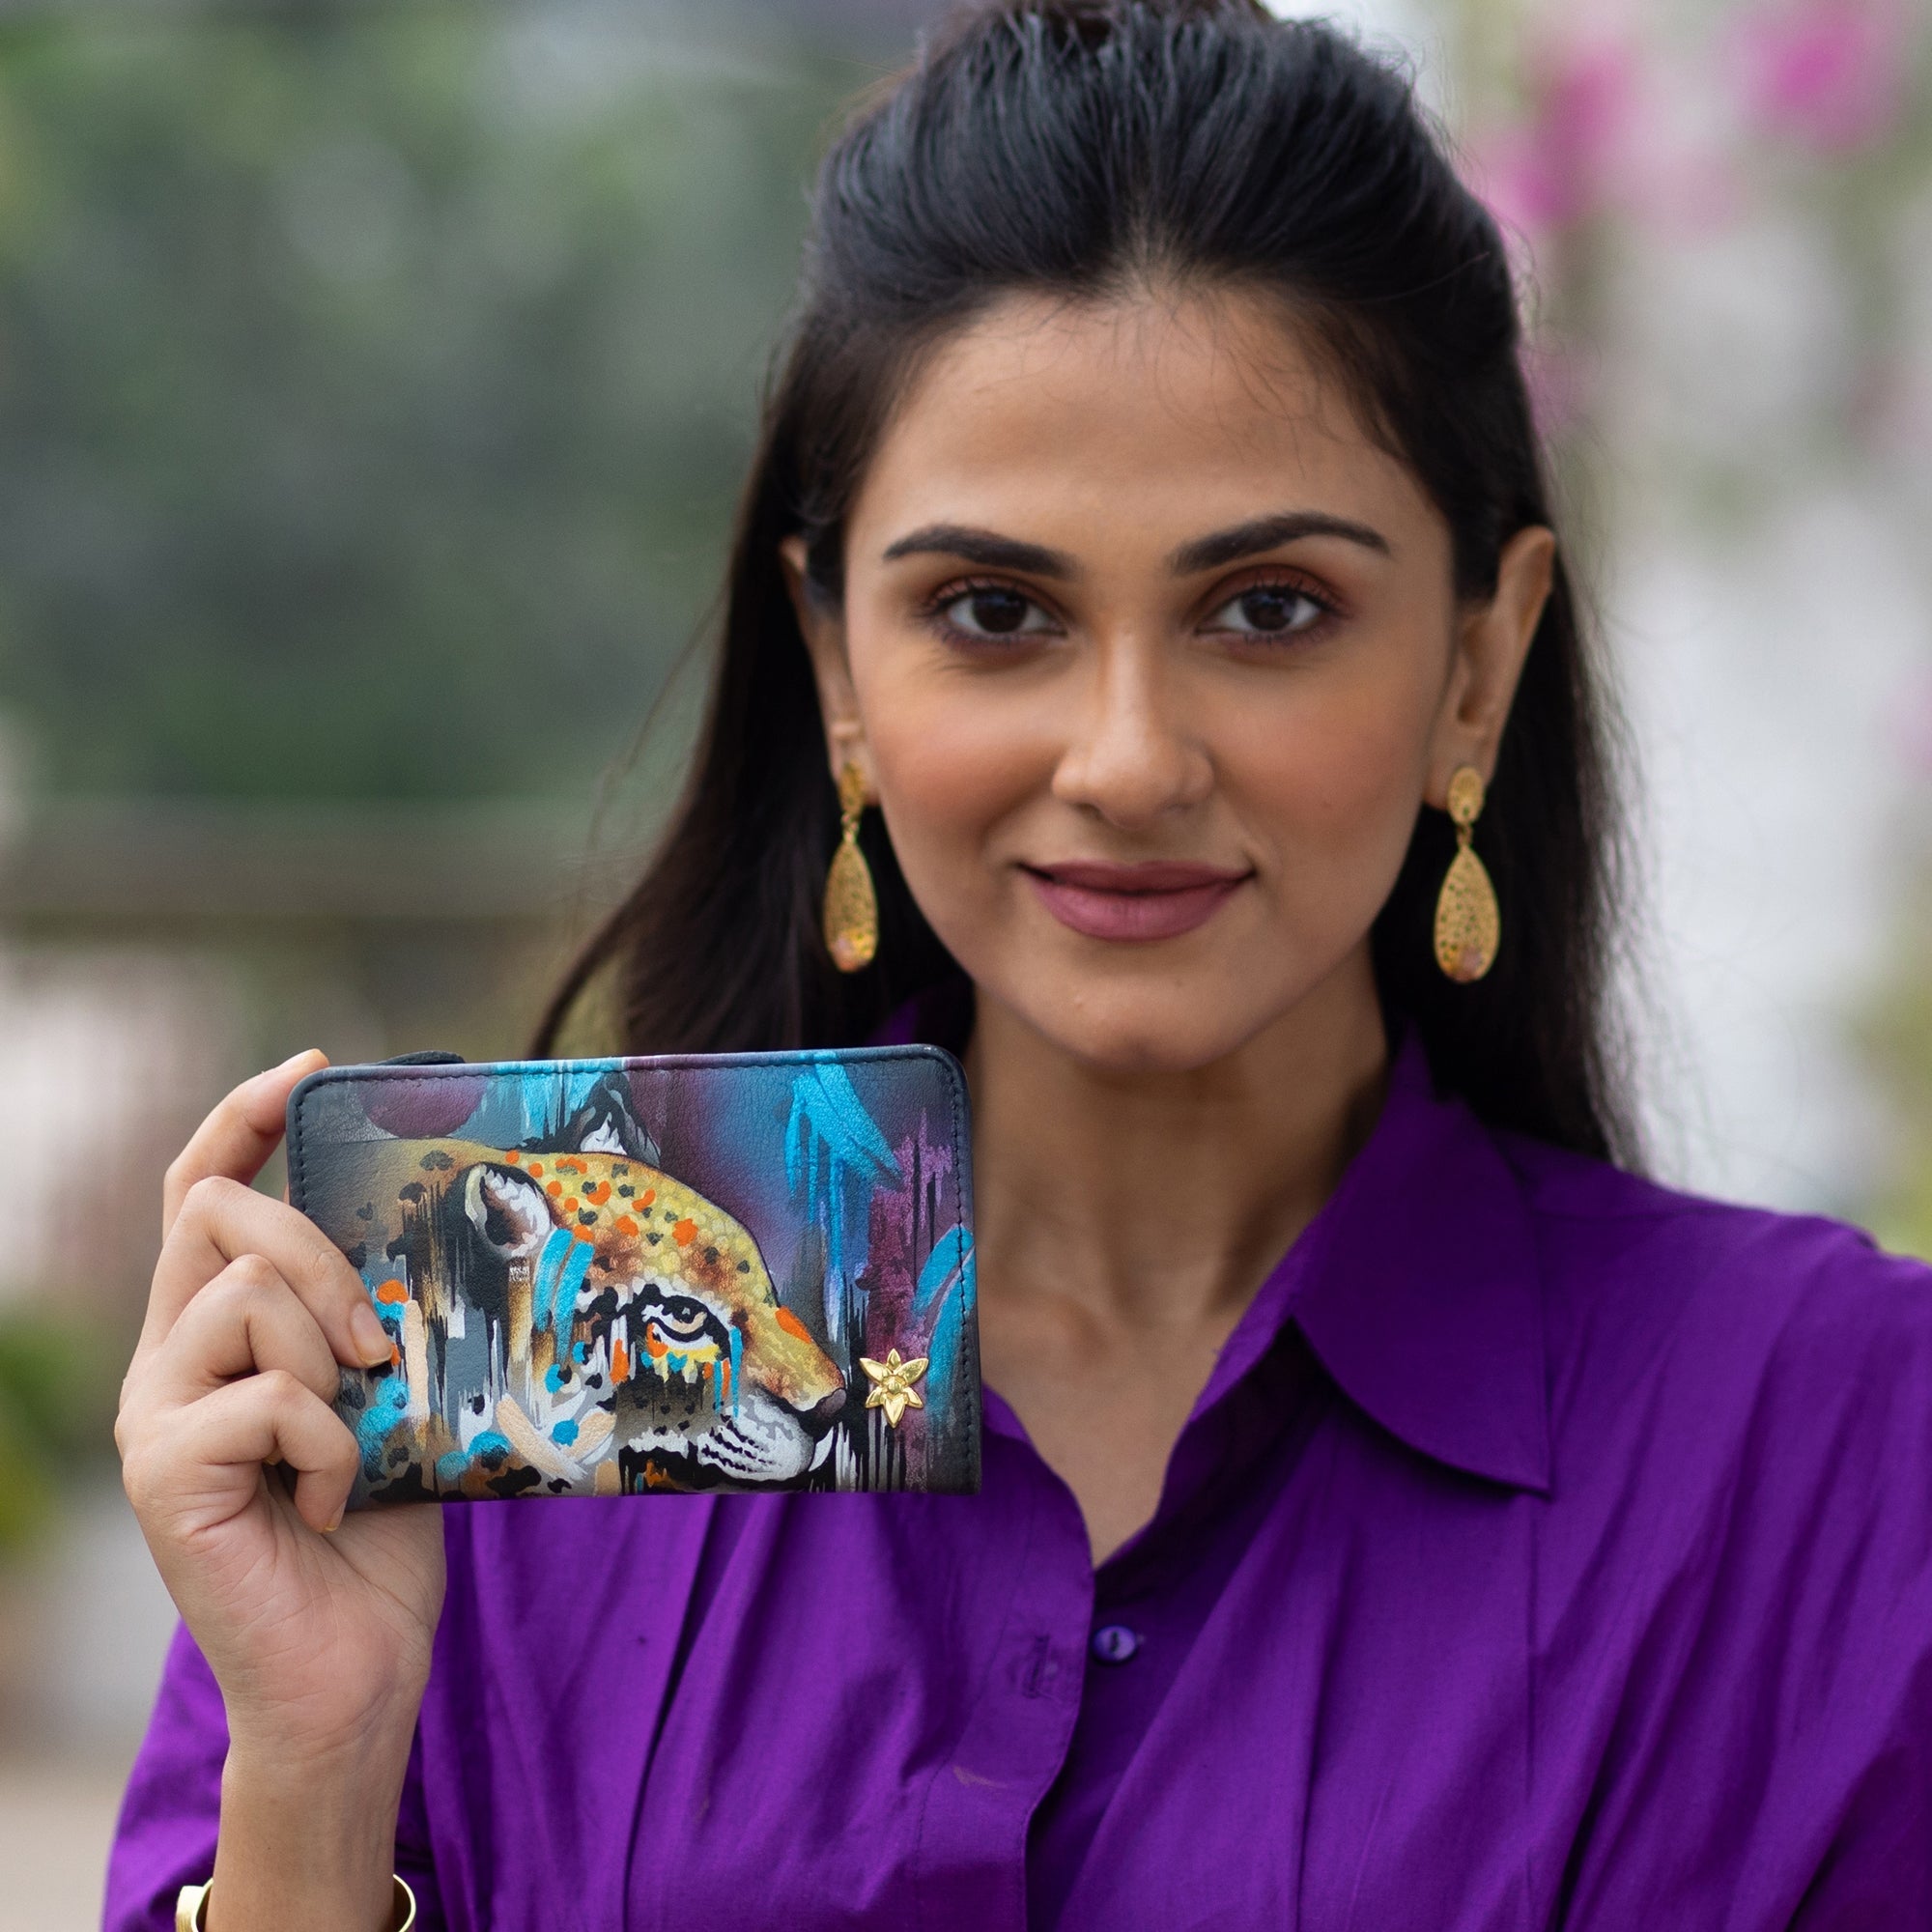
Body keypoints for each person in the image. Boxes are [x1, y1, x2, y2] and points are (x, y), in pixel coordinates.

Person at [105, 3, 1932, 1927]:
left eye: (1270, 608)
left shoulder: (1840, 1449)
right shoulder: (502, 1336)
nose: (1128, 757)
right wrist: (309, 1776)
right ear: (834, 667)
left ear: (1476, 662)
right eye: (994, 610)